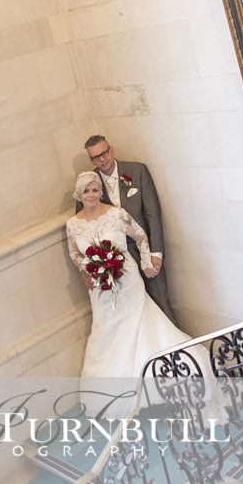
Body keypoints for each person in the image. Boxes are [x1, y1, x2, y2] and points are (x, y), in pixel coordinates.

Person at [66, 172, 192, 383]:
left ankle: (153, 370)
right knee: (107, 327)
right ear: (79, 194)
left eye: (95, 190)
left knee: (138, 322)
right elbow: (74, 254)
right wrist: (87, 267)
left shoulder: (116, 214)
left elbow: (140, 235)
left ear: (101, 192)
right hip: (99, 286)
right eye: (86, 191)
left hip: (128, 279)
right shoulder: (72, 224)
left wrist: (146, 262)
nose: (91, 194)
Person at [81, 135, 177, 325]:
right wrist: (87, 269)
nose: (102, 159)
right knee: (133, 312)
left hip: (146, 252)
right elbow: (85, 226)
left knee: (160, 302)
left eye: (104, 153)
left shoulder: (137, 171)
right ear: (91, 160)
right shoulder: (88, 185)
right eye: (96, 157)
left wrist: (156, 253)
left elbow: (152, 214)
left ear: (111, 150)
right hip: (116, 264)